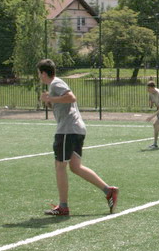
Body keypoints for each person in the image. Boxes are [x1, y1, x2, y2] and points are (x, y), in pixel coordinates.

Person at [38, 59, 118, 216]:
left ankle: (63, 207)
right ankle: (108, 191)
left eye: (39, 73)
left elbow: (71, 97)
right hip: (76, 129)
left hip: (67, 130)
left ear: (44, 73)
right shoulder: (54, 85)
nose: (38, 77)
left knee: (60, 167)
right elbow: (64, 103)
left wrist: (51, 99)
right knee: (75, 167)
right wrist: (50, 102)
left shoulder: (55, 83)